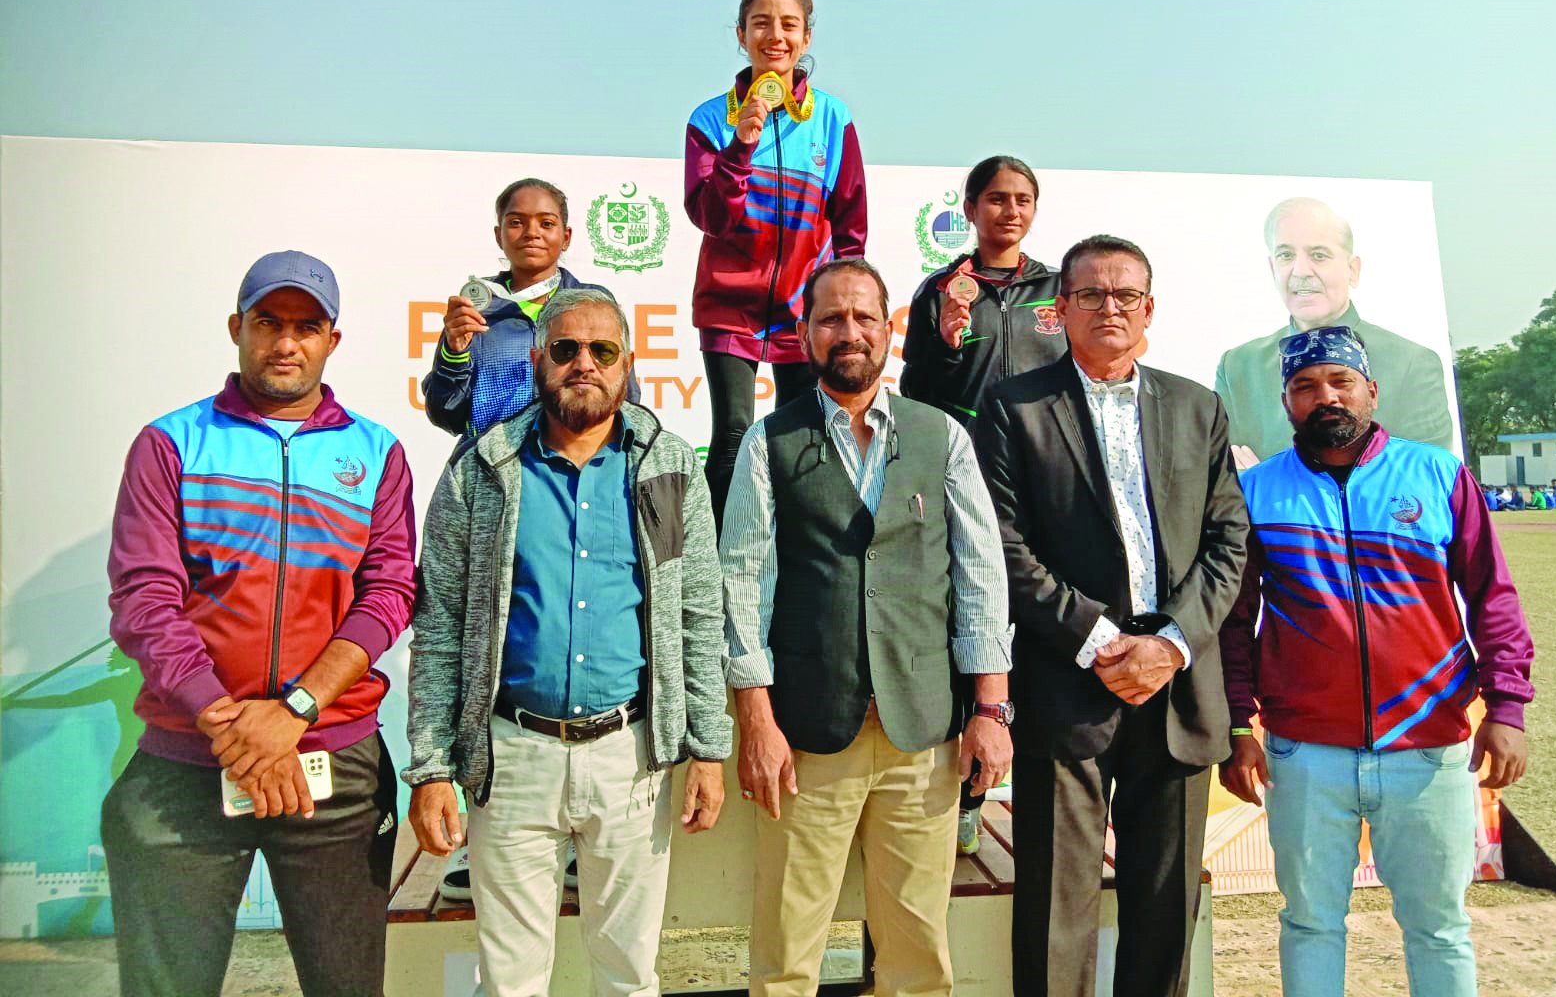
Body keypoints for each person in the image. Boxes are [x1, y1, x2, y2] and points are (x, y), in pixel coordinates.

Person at [101, 250, 417, 997]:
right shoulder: (171, 443)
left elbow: (389, 595)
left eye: (307, 327)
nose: (286, 342)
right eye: (269, 322)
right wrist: (231, 724)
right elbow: (145, 599)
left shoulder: (375, 454)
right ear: (237, 326)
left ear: (331, 341)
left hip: (334, 767)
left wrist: (294, 712)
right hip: (186, 763)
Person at [406, 288, 732, 997]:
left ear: (627, 363)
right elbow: (437, 626)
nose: (583, 363)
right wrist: (431, 766)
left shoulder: (667, 467)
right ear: (536, 360)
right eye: (565, 349)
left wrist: (708, 747)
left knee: (628, 974)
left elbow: (698, 613)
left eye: (602, 350)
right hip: (512, 757)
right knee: (512, 980)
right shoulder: (483, 470)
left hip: (630, 756)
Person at [722, 259, 1013, 997]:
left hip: (924, 737)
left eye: (862, 318)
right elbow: (742, 585)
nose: (848, 333)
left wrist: (989, 709)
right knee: (787, 957)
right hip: (808, 738)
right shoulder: (769, 441)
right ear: (803, 334)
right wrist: (755, 718)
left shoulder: (940, 435)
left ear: (892, 330)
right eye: (830, 319)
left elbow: (980, 575)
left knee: (918, 961)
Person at [1219, 324, 1535, 997]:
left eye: (1340, 381)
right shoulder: (1257, 491)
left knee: (1438, 927)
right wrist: (1238, 727)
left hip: (1428, 749)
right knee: (1309, 923)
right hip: (1305, 754)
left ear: (1371, 391)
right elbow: (1233, 624)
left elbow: (1493, 598)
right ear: (1286, 403)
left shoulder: (1438, 474)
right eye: (1305, 386)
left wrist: (1507, 706)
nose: (1324, 397)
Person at [972, 234, 1250, 997]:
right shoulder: (1012, 407)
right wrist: (1099, 641)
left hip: (1178, 693)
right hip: (1066, 692)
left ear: (1149, 308)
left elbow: (1230, 539)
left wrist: (1169, 643)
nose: (1109, 307)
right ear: (1059, 311)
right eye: (1090, 294)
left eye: (1125, 294)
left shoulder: (1199, 407)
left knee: (1165, 915)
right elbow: (1002, 544)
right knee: (1057, 915)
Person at [899, 154, 1063, 856]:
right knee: (970, 629)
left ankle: (1051, 794)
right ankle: (969, 793)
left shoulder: (1060, 289)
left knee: (1047, 636)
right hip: (964, 487)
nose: (1011, 211)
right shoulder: (942, 289)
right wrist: (944, 335)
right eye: (996, 199)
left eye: (1023, 199)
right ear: (969, 209)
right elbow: (915, 390)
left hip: (1047, 484)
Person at [685, 0, 868, 527]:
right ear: (741, 34)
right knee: (734, 433)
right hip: (727, 304)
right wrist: (741, 144)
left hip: (801, 308)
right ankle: (712, 573)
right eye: (761, 23)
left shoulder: (832, 118)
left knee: (800, 432)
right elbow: (709, 216)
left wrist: (839, 295)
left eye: (789, 24)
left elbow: (849, 216)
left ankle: (796, 557)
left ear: (806, 38)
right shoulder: (711, 118)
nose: (775, 35)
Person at [1214, 197, 1454, 467]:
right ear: (1273, 269)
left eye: (1318, 255)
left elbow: (1424, 478)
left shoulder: (1413, 364)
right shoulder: (1238, 367)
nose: (1301, 270)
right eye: (1286, 255)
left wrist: (1268, 484)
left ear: (1353, 270)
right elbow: (1222, 481)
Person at [422, 177, 634, 438]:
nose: (532, 233)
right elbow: (446, 416)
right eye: (516, 222)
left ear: (566, 237)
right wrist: (454, 354)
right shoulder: (475, 310)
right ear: (499, 235)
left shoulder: (595, 304)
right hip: (491, 469)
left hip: (580, 467)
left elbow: (627, 400)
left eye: (546, 223)